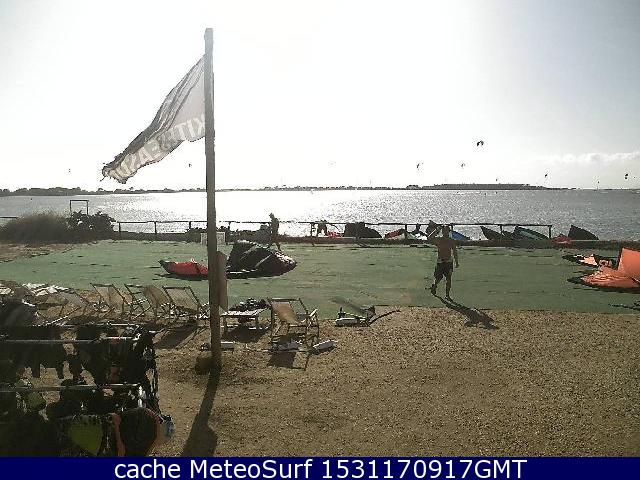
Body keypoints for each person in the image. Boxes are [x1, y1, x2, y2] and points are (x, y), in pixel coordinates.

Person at [427, 224, 459, 300]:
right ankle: (434, 285)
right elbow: (430, 238)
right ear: (442, 231)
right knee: (438, 278)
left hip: (449, 262)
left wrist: (456, 262)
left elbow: (454, 251)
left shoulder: (451, 241)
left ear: (449, 231)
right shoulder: (439, 239)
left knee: (448, 279)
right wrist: (437, 229)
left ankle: (447, 295)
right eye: (443, 231)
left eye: (446, 231)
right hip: (440, 262)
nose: (445, 232)